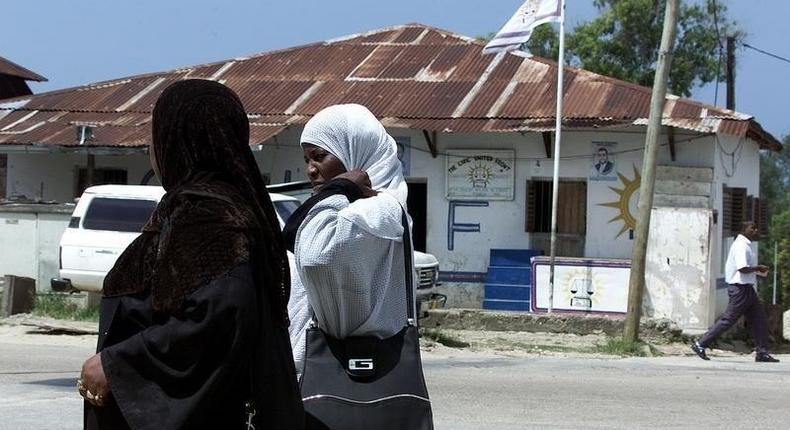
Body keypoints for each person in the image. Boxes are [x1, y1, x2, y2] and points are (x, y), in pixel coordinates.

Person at [78, 79, 304, 429]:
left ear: (181, 138)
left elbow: (218, 315)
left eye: (158, 129)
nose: (151, 145)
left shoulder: (209, 216)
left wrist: (117, 366)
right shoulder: (219, 207)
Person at [282, 103, 414, 374]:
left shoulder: (380, 209)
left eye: (319, 156)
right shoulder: (340, 208)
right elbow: (291, 236)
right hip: (313, 365)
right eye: (307, 159)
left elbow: (316, 256)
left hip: (343, 366)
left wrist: (337, 188)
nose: (311, 169)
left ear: (355, 151)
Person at [691, 221, 779, 362]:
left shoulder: (747, 245)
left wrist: (757, 270)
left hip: (747, 288)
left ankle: (762, 352)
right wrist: (758, 268)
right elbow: (742, 268)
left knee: (760, 320)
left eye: (756, 228)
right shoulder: (740, 246)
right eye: (752, 228)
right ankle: (700, 344)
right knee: (728, 320)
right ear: (743, 229)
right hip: (740, 289)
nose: (755, 231)